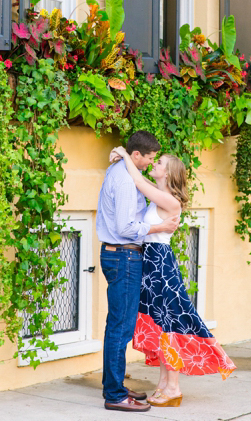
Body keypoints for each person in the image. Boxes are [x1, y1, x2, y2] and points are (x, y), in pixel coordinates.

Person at [110, 146, 237, 407]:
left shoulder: (170, 201)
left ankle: (174, 387)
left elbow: (137, 180)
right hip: (152, 263)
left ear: (168, 174)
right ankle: (164, 385)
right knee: (160, 326)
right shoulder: (160, 195)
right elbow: (141, 179)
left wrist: (124, 154)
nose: (154, 164)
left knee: (168, 326)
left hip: (160, 266)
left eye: (160, 163)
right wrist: (124, 160)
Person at [96, 130, 180, 413]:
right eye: (150, 158)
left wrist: (120, 152)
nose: (151, 162)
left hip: (124, 257)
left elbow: (142, 186)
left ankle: (115, 385)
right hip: (123, 257)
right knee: (120, 328)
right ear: (137, 155)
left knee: (119, 325)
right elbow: (125, 229)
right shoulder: (123, 179)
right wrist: (158, 228)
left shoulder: (127, 172)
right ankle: (115, 395)